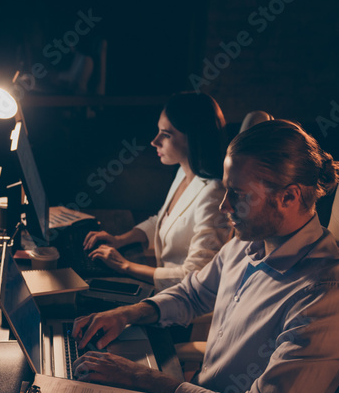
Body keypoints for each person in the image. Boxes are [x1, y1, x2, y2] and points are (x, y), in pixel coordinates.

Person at [72, 119, 339, 393]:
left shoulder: (326, 296)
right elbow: (193, 293)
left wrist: (145, 380)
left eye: (238, 195)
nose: (224, 206)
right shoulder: (247, 244)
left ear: (289, 196)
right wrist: (127, 314)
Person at [84, 92, 231, 291]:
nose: (155, 141)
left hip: (187, 307)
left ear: (194, 138)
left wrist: (125, 266)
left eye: (166, 134)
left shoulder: (214, 195)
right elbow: (163, 220)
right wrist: (120, 240)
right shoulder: (184, 171)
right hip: (166, 292)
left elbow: (196, 275)